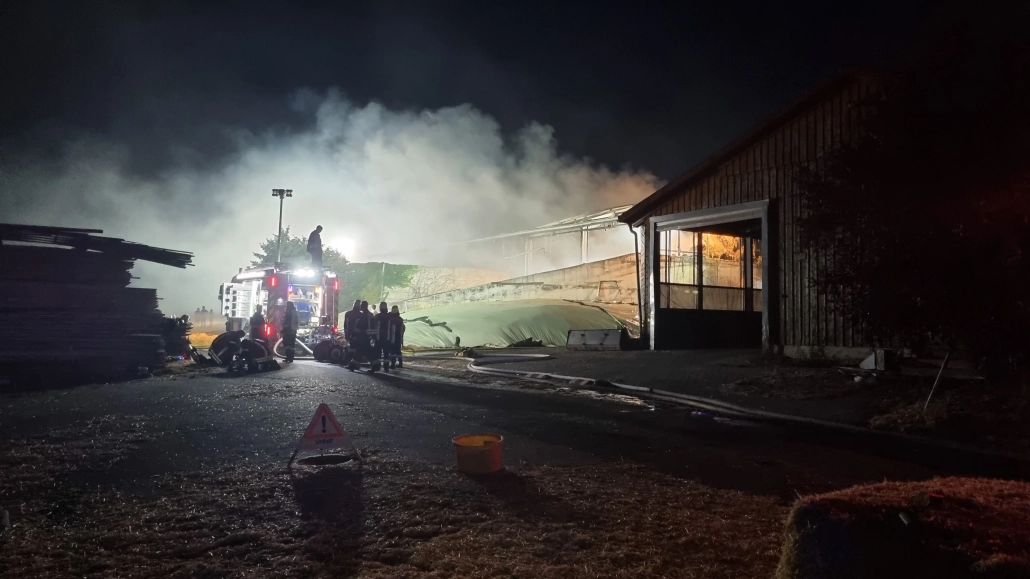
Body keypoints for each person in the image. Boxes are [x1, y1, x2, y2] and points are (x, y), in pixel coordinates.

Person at [374, 301, 393, 369]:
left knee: (377, 353)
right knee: (386, 353)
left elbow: (374, 326)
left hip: (378, 337)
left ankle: (377, 366)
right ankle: (386, 366)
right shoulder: (390, 316)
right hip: (387, 337)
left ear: (380, 308)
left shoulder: (377, 316)